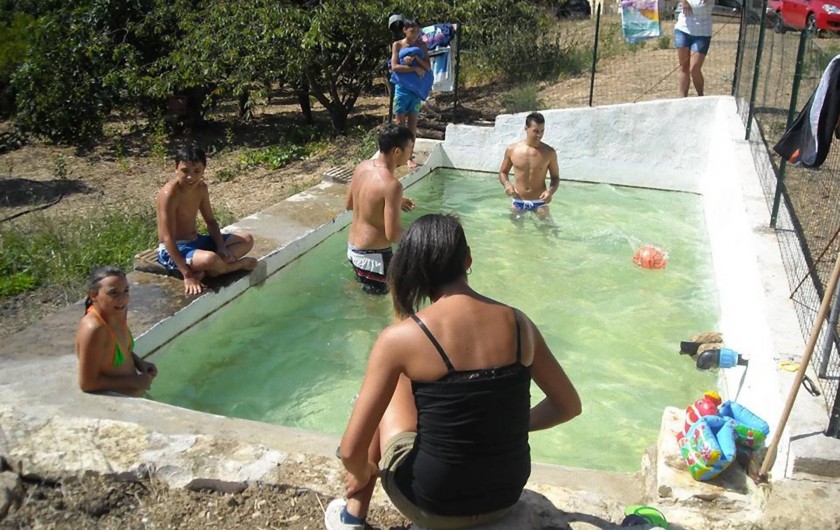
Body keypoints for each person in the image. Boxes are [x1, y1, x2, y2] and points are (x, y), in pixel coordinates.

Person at [326, 214, 581, 530]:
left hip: (432, 503)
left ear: (412, 267)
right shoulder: (520, 324)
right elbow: (568, 406)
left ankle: (353, 515)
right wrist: (504, 426)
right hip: (504, 497)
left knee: (386, 386)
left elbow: (351, 451)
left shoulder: (401, 338)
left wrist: (363, 472)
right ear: (468, 258)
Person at [156, 143, 257, 295]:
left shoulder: (201, 188)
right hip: (174, 249)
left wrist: (221, 247)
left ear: (204, 170)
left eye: (197, 171)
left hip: (196, 241)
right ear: (176, 168)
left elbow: (210, 222)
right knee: (209, 259)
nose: (191, 177)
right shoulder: (170, 194)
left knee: (246, 239)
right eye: (185, 171)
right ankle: (230, 267)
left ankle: (214, 269)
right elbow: (168, 238)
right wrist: (187, 275)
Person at [346, 125, 416, 295]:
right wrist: (420, 239)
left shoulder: (362, 166)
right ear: (397, 151)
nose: (411, 154)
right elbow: (392, 235)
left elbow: (349, 204)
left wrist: (390, 202)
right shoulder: (392, 185)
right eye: (410, 149)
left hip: (353, 249)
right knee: (378, 310)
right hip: (374, 259)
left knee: (364, 294)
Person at [75, 265, 158, 396]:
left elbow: (119, 350)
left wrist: (139, 363)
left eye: (126, 291)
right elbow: (87, 383)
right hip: (120, 405)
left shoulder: (117, 311)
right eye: (113, 293)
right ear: (93, 295)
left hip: (136, 397)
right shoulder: (95, 329)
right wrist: (133, 381)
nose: (122, 299)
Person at [498, 112, 560, 216]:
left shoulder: (549, 152)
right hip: (518, 200)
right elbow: (503, 172)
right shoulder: (512, 150)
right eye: (535, 131)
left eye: (542, 131)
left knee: (546, 229)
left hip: (540, 201)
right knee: (514, 230)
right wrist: (507, 184)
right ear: (526, 128)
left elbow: (555, 177)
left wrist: (550, 192)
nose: (539, 135)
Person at [390, 17, 432, 167]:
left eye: (417, 30)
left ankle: (409, 156)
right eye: (412, 30)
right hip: (402, 90)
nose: (415, 33)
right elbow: (394, 67)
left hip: (416, 91)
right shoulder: (398, 45)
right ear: (405, 30)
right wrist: (413, 68)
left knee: (412, 124)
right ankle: (397, 155)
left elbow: (428, 67)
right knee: (399, 123)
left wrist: (416, 58)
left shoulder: (422, 46)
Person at [675, 0, 715, 97]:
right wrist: (684, 2)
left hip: (702, 33)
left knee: (694, 68)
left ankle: (700, 95)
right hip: (683, 29)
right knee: (684, 66)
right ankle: (682, 98)